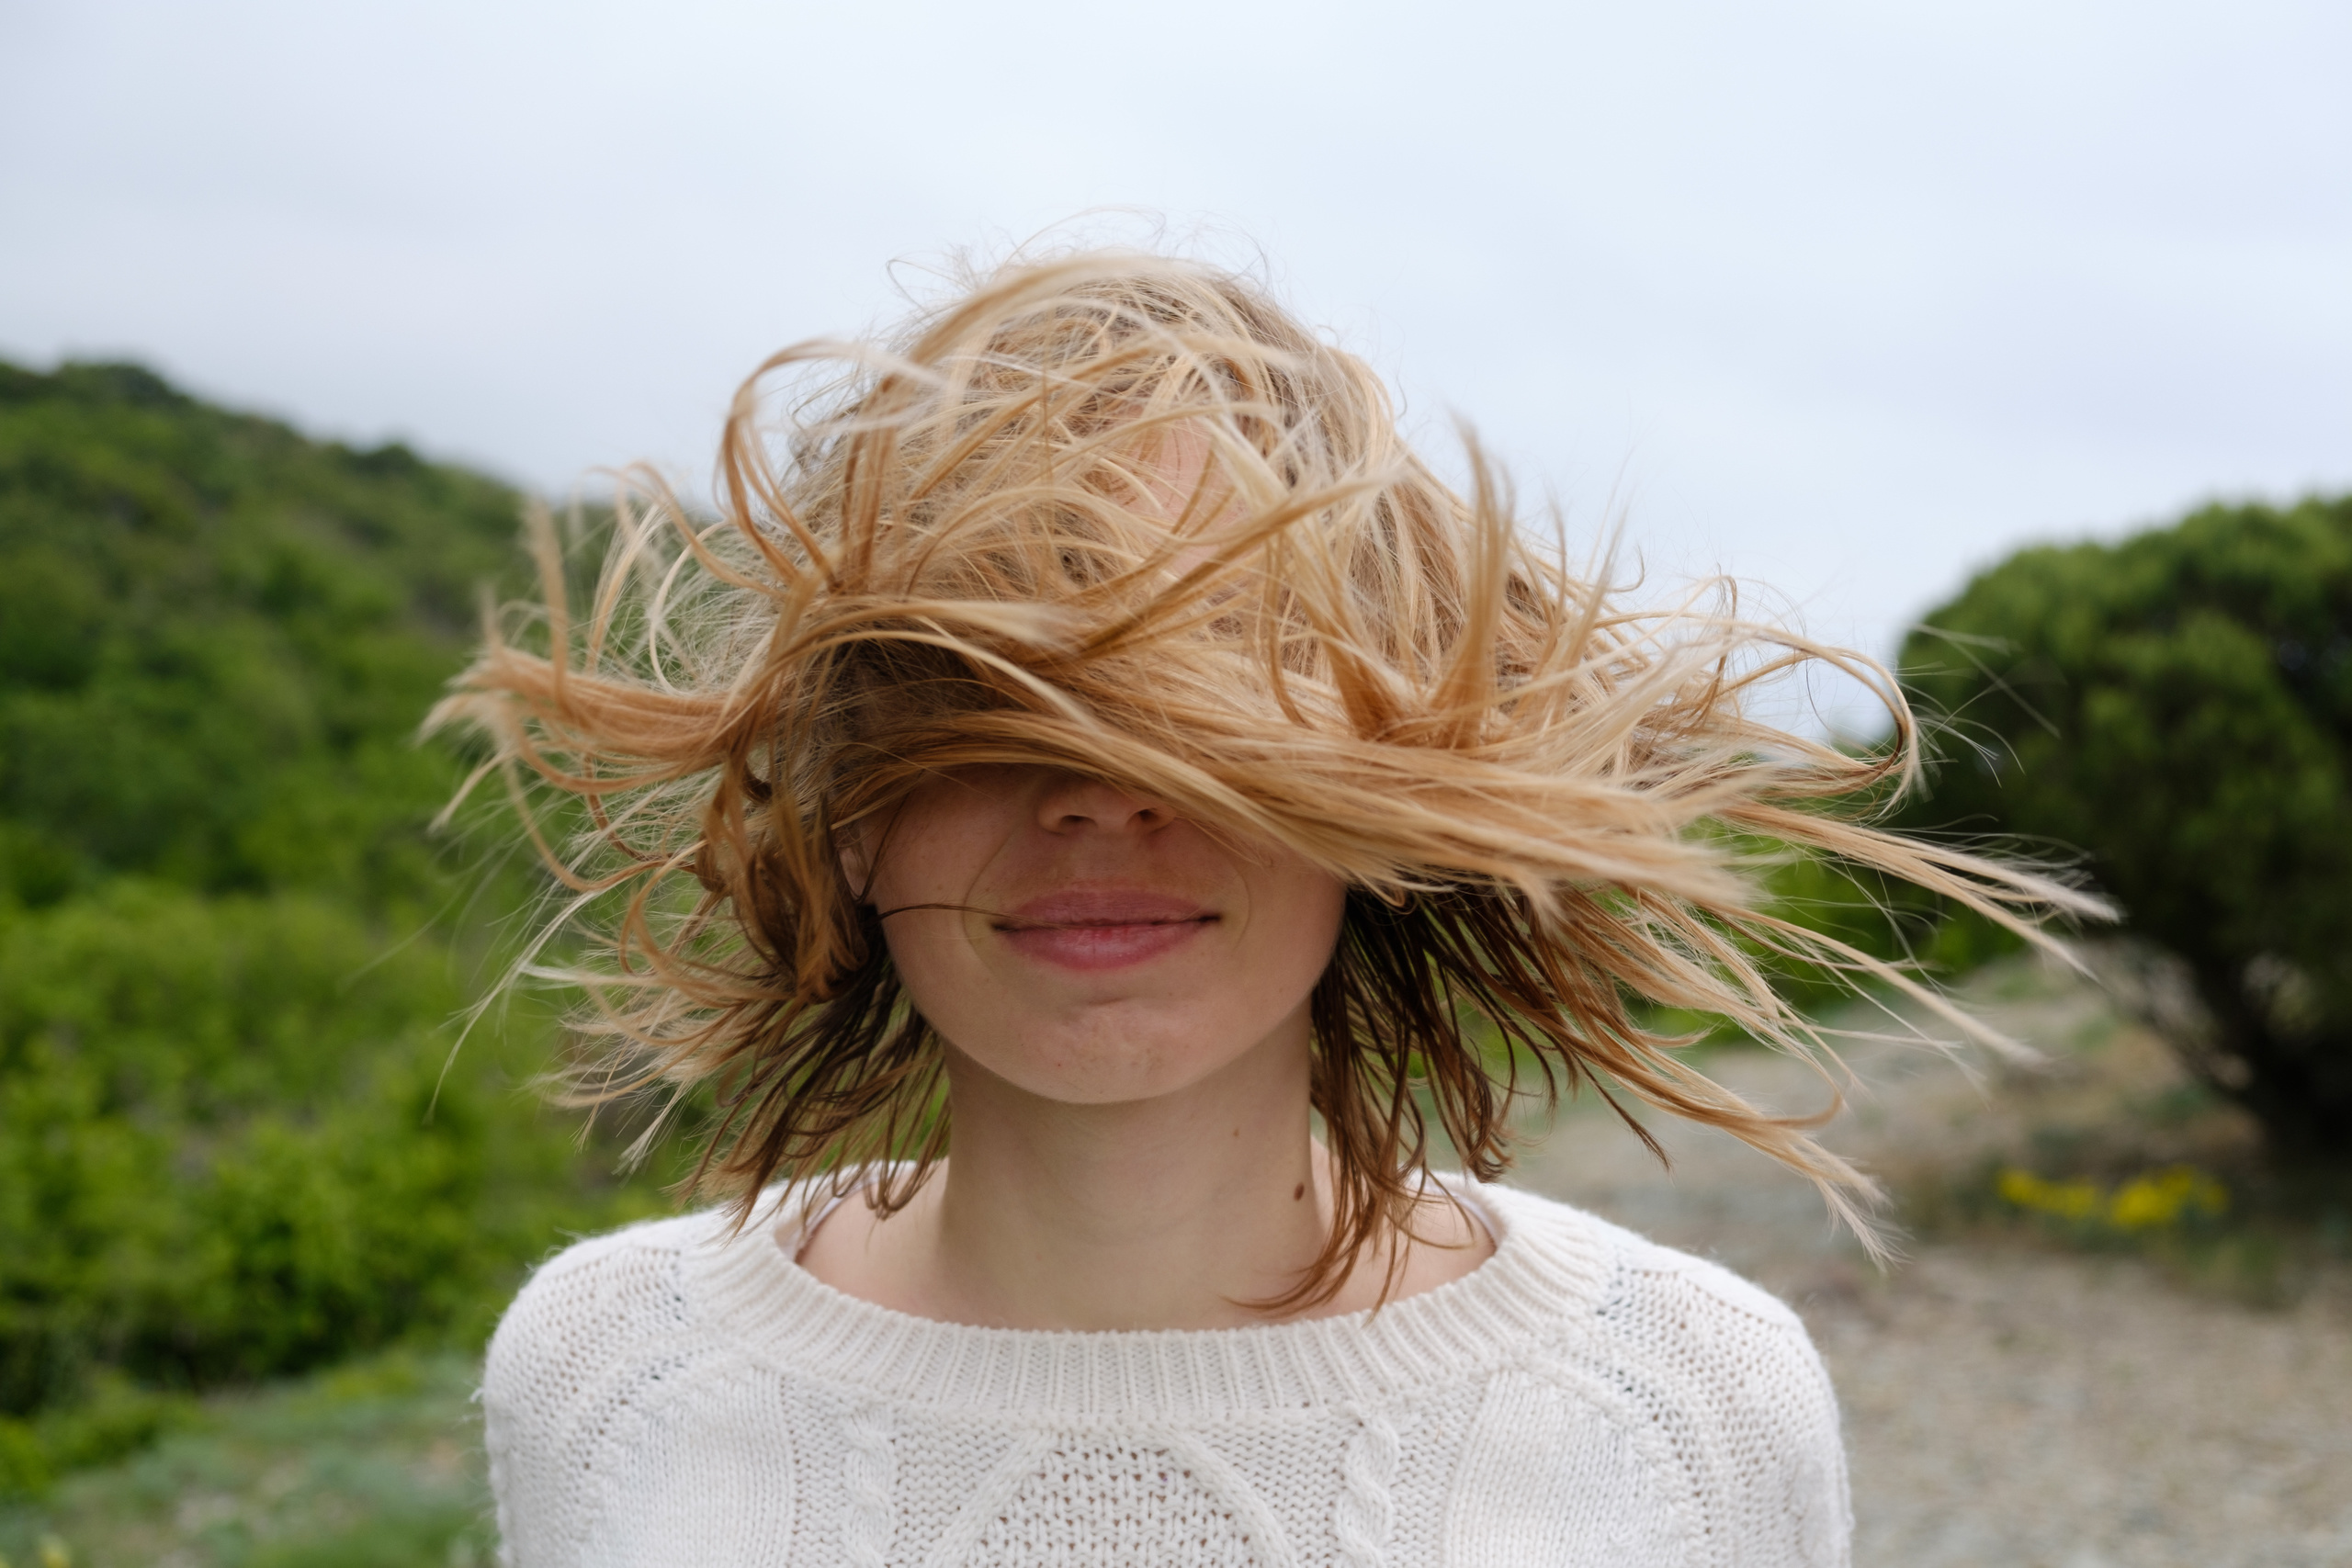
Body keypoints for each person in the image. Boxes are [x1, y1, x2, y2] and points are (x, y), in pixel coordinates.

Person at [436, 250, 2088, 1567]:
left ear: (1371, 796)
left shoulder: (1684, 1398)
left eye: (1212, 689)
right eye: (981, 699)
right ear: (847, 808)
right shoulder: (605, 1368)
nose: (1096, 796)